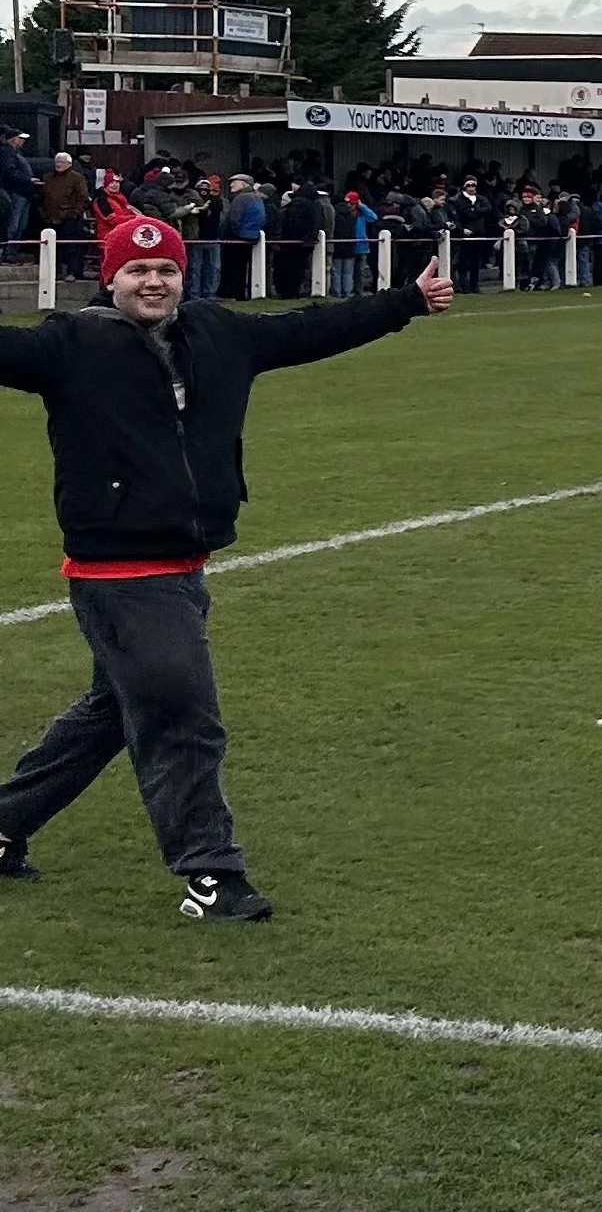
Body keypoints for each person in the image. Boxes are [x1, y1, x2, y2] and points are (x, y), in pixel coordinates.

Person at [0, 217, 454, 918]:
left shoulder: (217, 333)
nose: (153, 283)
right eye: (138, 272)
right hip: (119, 574)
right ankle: (210, 872)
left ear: (183, 276)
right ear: (112, 279)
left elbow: (307, 329)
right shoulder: (71, 345)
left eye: (166, 272)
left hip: (182, 564)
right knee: (183, 715)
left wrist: (406, 303)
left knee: (112, 712)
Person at [41, 152, 92, 282]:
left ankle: (73, 272)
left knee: (72, 248)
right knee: (52, 249)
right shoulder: (47, 178)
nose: (59, 165)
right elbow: (41, 198)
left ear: (69, 164)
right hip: (51, 218)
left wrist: (75, 213)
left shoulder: (77, 178)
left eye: (62, 162)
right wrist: (43, 213)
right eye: (57, 162)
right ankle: (54, 272)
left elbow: (83, 198)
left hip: (71, 218)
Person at [0, 127, 38, 262]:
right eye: (20, 139)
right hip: (16, 192)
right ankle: (7, 251)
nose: (22, 142)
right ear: (12, 139)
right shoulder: (6, 153)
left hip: (24, 193)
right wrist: (27, 179)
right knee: (13, 224)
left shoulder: (15, 154)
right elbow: (9, 172)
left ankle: (13, 251)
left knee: (20, 225)